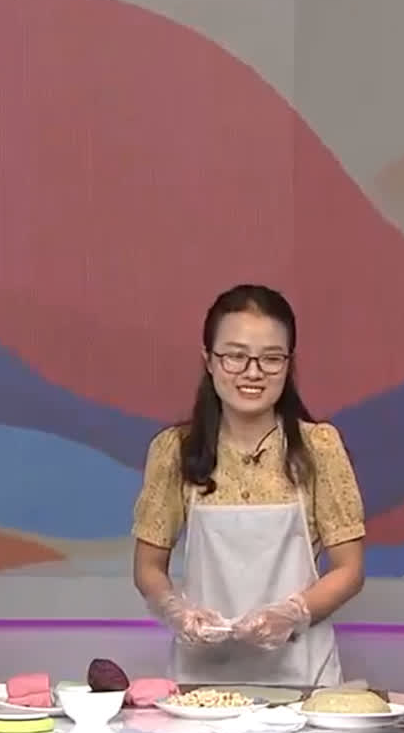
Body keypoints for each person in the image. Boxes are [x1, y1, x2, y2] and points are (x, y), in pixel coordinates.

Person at [131, 284, 367, 686]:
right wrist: (176, 610)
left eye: (271, 359)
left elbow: (350, 569)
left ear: (289, 364)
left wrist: (292, 614)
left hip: (303, 678)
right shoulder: (175, 450)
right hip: (201, 684)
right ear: (209, 360)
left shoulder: (319, 447)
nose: (253, 372)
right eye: (235, 357)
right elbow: (148, 567)